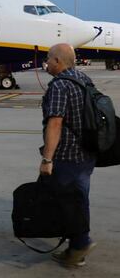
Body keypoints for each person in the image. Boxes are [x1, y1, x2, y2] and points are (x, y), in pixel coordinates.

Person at [40, 43, 97, 267]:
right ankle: (77, 250)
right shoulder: (84, 79)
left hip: (67, 155)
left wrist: (47, 159)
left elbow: (55, 123)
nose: (46, 63)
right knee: (80, 199)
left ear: (57, 61)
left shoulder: (60, 85)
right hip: (87, 153)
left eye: (48, 59)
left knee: (67, 203)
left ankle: (81, 242)